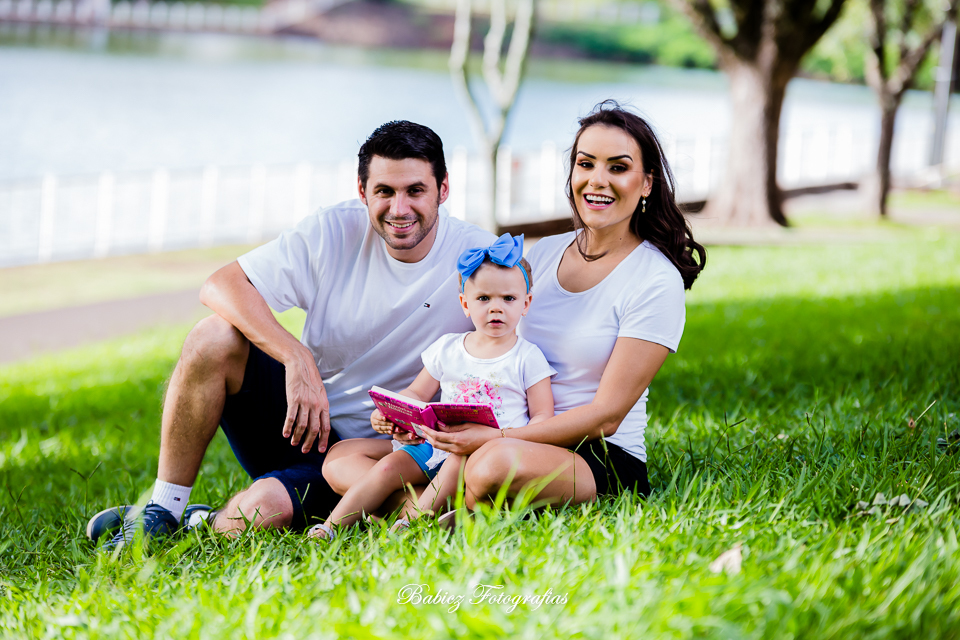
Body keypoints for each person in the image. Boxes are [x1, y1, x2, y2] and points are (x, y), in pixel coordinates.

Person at [85, 120, 496, 549]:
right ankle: (161, 509)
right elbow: (222, 285)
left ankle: (198, 522)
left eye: (415, 190)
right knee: (213, 337)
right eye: (384, 192)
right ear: (362, 192)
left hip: (380, 457)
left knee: (263, 510)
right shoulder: (332, 230)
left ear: (442, 189)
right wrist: (295, 356)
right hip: (304, 420)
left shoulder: (476, 258)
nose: (399, 208)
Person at [420, 101, 706, 509]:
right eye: (585, 164)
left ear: (646, 183)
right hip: (511, 432)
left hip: (598, 456)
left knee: (490, 465)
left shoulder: (655, 280)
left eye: (618, 168)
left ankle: (443, 502)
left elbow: (606, 416)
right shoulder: (546, 252)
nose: (597, 180)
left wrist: (496, 439)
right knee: (352, 457)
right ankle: (460, 503)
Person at [308, 234, 556, 540]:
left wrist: (514, 441)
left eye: (508, 299)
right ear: (465, 304)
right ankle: (329, 528)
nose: (496, 309)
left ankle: (410, 526)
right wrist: (393, 413)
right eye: (483, 299)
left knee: (456, 459)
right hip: (434, 443)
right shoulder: (448, 348)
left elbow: (543, 415)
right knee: (387, 468)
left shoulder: (527, 357)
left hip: (482, 455)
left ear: (526, 304)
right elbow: (416, 393)